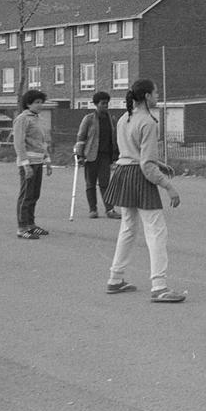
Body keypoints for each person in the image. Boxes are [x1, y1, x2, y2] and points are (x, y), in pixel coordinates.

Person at [102, 79, 186, 303]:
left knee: (128, 228)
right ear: (147, 96)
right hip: (139, 177)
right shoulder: (148, 121)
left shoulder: (124, 118)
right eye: (156, 92)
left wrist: (158, 163)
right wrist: (169, 187)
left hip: (123, 174)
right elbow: (145, 165)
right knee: (157, 231)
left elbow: (133, 154)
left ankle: (115, 278)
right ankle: (159, 286)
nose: (157, 96)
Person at [73, 91, 121, 219]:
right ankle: (92, 209)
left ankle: (110, 209)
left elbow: (114, 138)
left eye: (107, 103)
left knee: (105, 184)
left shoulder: (111, 119)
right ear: (96, 104)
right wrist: (80, 155)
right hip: (90, 156)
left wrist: (117, 154)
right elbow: (81, 137)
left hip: (105, 156)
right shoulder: (88, 119)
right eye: (103, 103)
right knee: (90, 184)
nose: (106, 106)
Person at [12, 90, 52, 240]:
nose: (40, 105)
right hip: (28, 163)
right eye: (37, 102)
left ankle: (31, 225)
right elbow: (19, 143)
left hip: (38, 161)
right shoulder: (22, 119)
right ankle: (22, 227)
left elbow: (42, 142)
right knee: (26, 195)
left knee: (35, 194)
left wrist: (47, 161)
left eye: (41, 102)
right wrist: (25, 164)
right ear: (28, 103)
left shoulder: (37, 119)